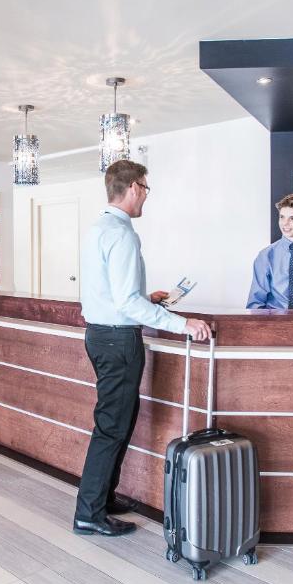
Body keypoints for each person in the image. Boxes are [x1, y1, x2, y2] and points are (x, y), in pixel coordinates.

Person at [73, 159, 211, 537]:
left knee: (117, 422)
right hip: (118, 340)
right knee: (112, 427)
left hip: (101, 334)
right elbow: (127, 304)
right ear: (133, 187)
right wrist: (183, 324)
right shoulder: (122, 234)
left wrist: (145, 298)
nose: (146, 196)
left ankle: (101, 498)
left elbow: (115, 294)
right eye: (146, 188)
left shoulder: (97, 229)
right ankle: (89, 512)